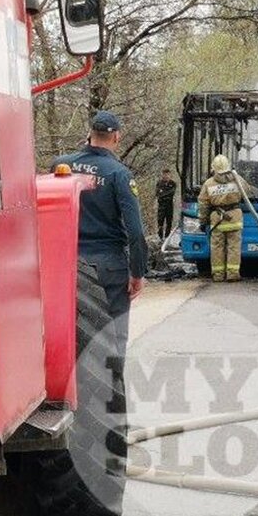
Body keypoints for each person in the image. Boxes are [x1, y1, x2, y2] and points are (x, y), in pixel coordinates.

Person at [51, 110, 146, 354]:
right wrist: (137, 273)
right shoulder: (118, 174)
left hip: (65, 265)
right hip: (109, 268)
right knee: (114, 340)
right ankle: (112, 391)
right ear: (116, 138)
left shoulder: (61, 165)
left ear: (90, 135)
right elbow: (135, 231)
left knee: (66, 340)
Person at [198, 154, 254, 282]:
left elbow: (203, 204)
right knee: (234, 247)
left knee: (217, 248)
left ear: (214, 168)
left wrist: (203, 221)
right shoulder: (237, 180)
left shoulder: (209, 183)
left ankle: (218, 275)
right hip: (234, 218)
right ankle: (233, 274)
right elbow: (248, 192)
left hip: (217, 219)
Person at [155, 168, 177, 239]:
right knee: (160, 221)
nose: (166, 176)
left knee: (169, 221)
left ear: (170, 175)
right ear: (162, 175)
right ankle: (160, 236)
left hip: (169, 205)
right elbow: (158, 194)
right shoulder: (159, 183)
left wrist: (163, 193)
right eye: (164, 174)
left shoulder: (172, 183)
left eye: (167, 174)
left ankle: (167, 237)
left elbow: (172, 192)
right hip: (161, 205)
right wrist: (164, 194)